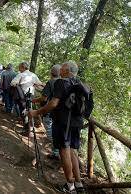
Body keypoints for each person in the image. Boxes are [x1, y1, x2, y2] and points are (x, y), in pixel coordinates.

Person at [29, 61, 85, 193]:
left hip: (63, 122)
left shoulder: (61, 82)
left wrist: (36, 112)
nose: (61, 70)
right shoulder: (79, 83)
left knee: (64, 151)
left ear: (67, 71)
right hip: (77, 122)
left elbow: (53, 103)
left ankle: (69, 185)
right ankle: (79, 184)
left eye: (63, 68)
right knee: (73, 151)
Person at [32, 64, 61, 159]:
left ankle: (57, 151)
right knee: (55, 130)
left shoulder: (51, 82)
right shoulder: (61, 82)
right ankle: (57, 150)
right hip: (59, 112)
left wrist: (34, 100)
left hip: (49, 110)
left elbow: (44, 98)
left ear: (51, 72)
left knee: (49, 130)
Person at [11, 62, 43, 136]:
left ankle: (27, 130)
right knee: (29, 111)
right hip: (31, 96)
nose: (19, 69)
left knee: (24, 112)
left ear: (22, 67)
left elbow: (13, 83)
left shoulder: (21, 75)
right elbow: (40, 84)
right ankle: (30, 129)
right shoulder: (33, 75)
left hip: (23, 96)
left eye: (19, 67)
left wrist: (17, 84)